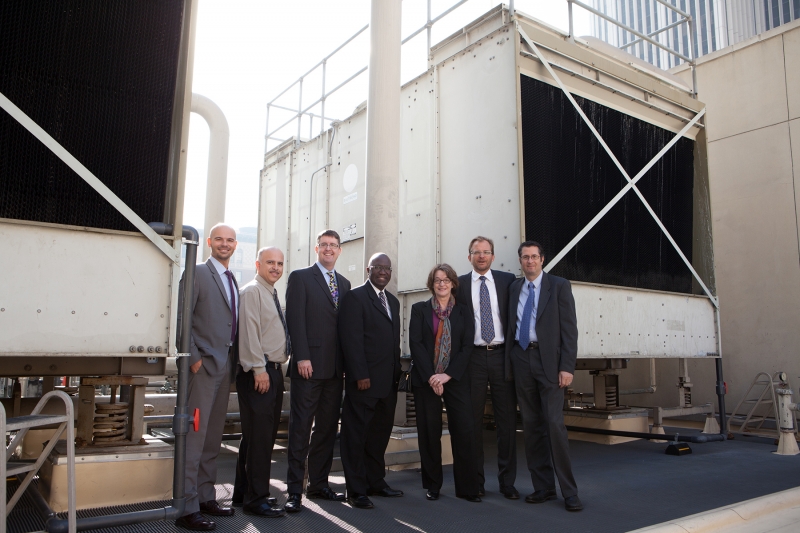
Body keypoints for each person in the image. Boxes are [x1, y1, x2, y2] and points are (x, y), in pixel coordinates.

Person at [505, 241, 583, 512]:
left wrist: (567, 367)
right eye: (525, 257)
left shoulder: (559, 286)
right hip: (521, 358)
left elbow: (569, 330)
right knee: (531, 426)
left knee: (554, 425)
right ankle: (544, 487)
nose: (529, 261)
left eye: (534, 257)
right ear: (520, 261)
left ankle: (569, 491)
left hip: (550, 363)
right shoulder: (514, 287)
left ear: (542, 259)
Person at [176, 223, 239, 531]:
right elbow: (182, 316)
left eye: (229, 240)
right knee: (195, 438)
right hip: (203, 369)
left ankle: (204, 496)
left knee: (212, 438)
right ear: (210, 242)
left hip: (224, 368)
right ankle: (186, 507)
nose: (224, 244)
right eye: (219, 240)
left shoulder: (231, 279)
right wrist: (193, 359)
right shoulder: (198, 272)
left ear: (236, 245)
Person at [284, 230, 351, 512]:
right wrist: (301, 356)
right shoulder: (300, 278)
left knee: (325, 430)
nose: (328, 249)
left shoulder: (345, 284)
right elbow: (294, 319)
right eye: (324, 245)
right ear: (316, 248)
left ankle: (319, 485)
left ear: (339, 251)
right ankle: (294, 492)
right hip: (308, 367)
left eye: (333, 245)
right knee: (300, 429)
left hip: (335, 371)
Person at [409, 264, 481, 502]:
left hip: (455, 378)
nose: (442, 284)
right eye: (437, 280)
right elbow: (416, 345)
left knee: (464, 430)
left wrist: (446, 375)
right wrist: (432, 376)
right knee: (429, 432)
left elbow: (466, 346)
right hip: (426, 379)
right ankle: (433, 485)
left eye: (446, 279)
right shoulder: (419, 309)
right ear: (432, 284)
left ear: (453, 283)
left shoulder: (463, 311)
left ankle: (467, 488)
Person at [338, 253, 403, 509]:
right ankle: (355, 490)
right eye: (378, 267)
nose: (383, 272)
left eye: (387, 268)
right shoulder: (355, 297)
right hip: (364, 382)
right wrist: (359, 374)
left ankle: (376, 482)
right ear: (368, 269)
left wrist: (397, 373)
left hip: (387, 383)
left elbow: (392, 343)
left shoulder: (394, 302)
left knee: (378, 435)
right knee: (355, 436)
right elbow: (351, 340)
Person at [455, 237, 519, 499]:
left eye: (486, 252)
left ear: (493, 256)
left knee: (507, 422)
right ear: (468, 256)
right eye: (476, 252)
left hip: (503, 356)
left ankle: (507, 483)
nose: (481, 256)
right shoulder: (458, 284)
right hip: (474, 358)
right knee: (473, 422)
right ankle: (475, 482)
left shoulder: (508, 281)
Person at [233, 247, 289, 518]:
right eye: (270, 262)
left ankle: (243, 492)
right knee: (261, 438)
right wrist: (258, 368)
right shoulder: (253, 291)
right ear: (257, 264)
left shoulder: (270, 291)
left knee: (255, 436)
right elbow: (249, 332)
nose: (276, 267)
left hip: (271, 370)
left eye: (279, 263)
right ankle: (257, 499)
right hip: (261, 371)